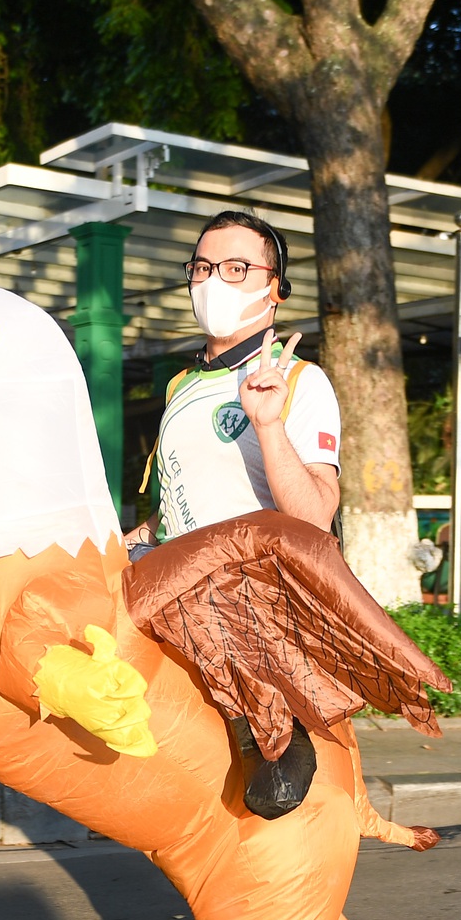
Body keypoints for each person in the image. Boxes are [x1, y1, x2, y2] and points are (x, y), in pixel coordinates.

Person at [123, 210, 342, 817]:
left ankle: (272, 730)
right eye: (202, 267)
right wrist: (136, 534)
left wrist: (269, 424)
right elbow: (177, 501)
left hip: (245, 588)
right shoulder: (180, 386)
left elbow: (316, 517)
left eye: (237, 268)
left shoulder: (300, 380)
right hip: (172, 569)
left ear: (275, 288)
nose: (212, 281)